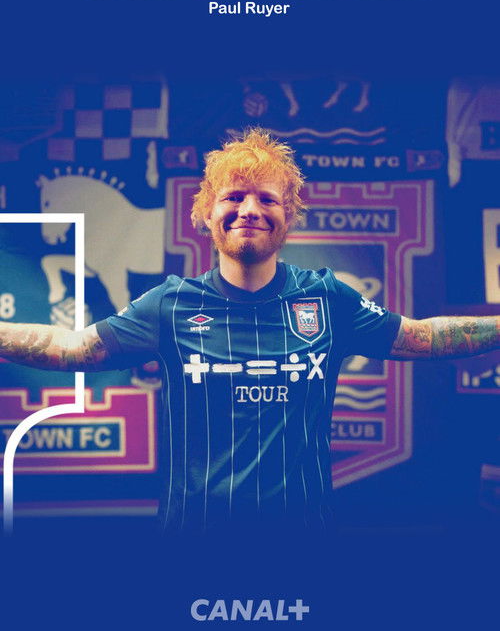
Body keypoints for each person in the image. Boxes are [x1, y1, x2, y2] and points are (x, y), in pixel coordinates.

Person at [1, 128, 499, 535]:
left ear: (288, 216)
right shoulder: (171, 304)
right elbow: (74, 347)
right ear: (207, 213)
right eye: (233, 197)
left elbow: (422, 337)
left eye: (267, 198)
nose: (250, 209)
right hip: (193, 542)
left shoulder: (326, 298)